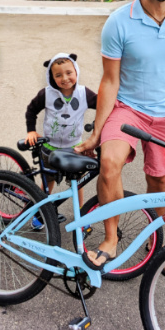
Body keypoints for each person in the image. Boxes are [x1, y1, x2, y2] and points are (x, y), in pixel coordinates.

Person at [75, 0, 165, 274]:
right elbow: (110, 80)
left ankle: (154, 243)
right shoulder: (119, 21)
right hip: (128, 109)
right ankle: (110, 238)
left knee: (158, 182)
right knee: (109, 163)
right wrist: (97, 132)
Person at [25, 52, 97, 225]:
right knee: (47, 181)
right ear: (52, 77)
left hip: (75, 147)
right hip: (50, 147)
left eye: (69, 73)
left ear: (76, 72)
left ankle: (81, 214)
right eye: (58, 75)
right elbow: (31, 110)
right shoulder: (46, 94)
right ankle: (40, 213)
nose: (65, 78)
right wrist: (31, 131)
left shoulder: (83, 93)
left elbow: (103, 105)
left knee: (78, 183)